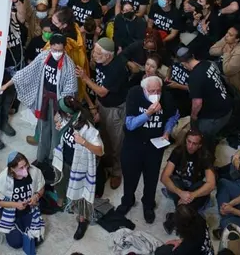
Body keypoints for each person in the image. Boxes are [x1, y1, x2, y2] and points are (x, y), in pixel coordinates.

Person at [4, 33, 79, 165]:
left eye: (60, 50)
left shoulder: (69, 65)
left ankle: (53, 159)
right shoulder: (44, 57)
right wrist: (7, 85)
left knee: (57, 132)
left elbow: (70, 90)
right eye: (54, 50)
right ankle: (41, 157)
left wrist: (61, 111)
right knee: (44, 127)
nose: (57, 53)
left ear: (64, 49)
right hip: (44, 98)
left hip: (59, 101)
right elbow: (27, 71)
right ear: (50, 47)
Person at [116, 74, 179, 223]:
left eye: (158, 91)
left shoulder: (167, 98)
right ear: (144, 89)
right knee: (130, 177)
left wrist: (167, 131)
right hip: (133, 145)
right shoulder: (134, 94)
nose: (155, 94)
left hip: (154, 146)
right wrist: (148, 113)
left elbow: (174, 115)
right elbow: (130, 125)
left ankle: (148, 205)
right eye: (151, 91)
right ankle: (127, 201)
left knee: (151, 179)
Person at [51, 99, 102, 240]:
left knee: (81, 193)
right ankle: (62, 202)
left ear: (69, 114)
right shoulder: (67, 119)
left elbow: (100, 151)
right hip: (65, 160)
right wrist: (57, 122)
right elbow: (58, 121)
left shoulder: (87, 128)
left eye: (61, 113)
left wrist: (83, 142)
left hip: (80, 167)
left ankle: (82, 220)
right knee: (61, 181)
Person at [0, 152, 44, 255]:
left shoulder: (34, 172)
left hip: (29, 208)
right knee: (16, 242)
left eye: (26, 165)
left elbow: (41, 188)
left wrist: (36, 196)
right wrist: (15, 205)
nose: (25, 170)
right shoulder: (3, 179)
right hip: (11, 209)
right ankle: (8, 223)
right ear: (12, 169)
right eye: (21, 168)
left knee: (37, 239)